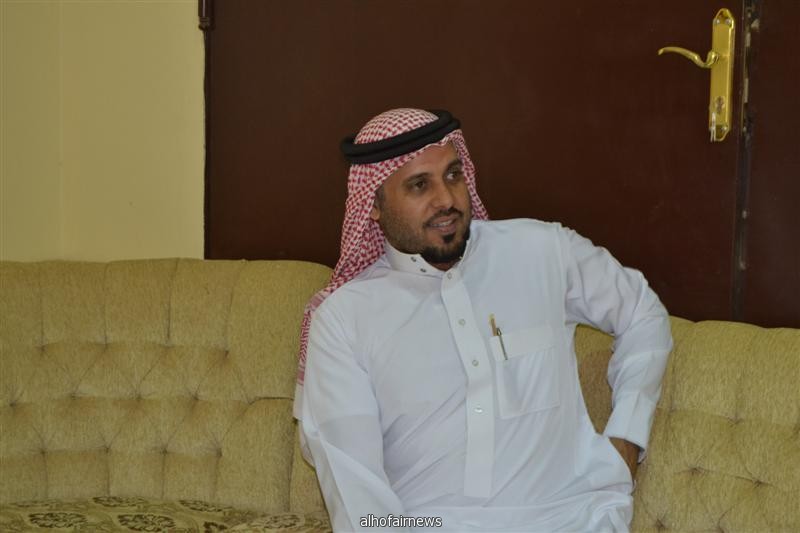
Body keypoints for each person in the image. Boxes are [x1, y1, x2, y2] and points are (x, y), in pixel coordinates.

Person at [294, 108, 672, 532]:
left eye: (453, 175)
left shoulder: (541, 251)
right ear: (374, 206)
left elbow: (642, 312)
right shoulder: (343, 320)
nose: (447, 200)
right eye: (420, 185)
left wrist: (627, 436)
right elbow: (360, 501)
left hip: (575, 520)